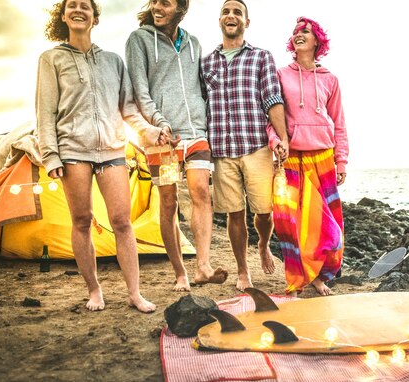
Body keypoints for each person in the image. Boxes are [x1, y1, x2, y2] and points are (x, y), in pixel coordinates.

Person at [36, 0, 156, 312]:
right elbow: (46, 113)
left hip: (113, 150)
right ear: (63, 16)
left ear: (94, 17)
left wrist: (149, 131)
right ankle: (94, 290)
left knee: (121, 221)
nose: (78, 10)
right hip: (73, 151)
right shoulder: (51, 59)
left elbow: (128, 108)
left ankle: (134, 293)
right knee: (81, 220)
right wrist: (51, 157)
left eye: (85, 6)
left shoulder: (114, 61)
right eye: (71, 6)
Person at [126, 0, 227, 292]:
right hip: (162, 138)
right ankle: (180, 272)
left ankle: (203, 266)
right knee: (169, 203)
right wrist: (158, 123)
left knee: (200, 192)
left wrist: (208, 119)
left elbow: (201, 87)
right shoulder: (139, 40)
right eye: (155, 2)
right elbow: (139, 89)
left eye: (165, 3)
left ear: (181, 9)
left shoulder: (193, 43)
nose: (157, 7)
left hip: (195, 133)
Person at [201, 0, 289, 291]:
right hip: (222, 151)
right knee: (234, 213)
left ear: (246, 22)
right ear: (219, 21)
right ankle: (243, 272)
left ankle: (263, 244)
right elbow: (200, 104)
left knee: (264, 211)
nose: (231, 15)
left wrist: (283, 139)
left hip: (256, 146)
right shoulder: (206, 63)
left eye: (237, 12)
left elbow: (272, 100)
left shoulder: (261, 57)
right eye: (226, 11)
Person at [267, 17, 349, 296]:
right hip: (291, 159)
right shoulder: (280, 74)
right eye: (296, 32)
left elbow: (339, 123)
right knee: (292, 222)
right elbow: (271, 116)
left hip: (322, 158)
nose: (298, 35)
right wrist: (275, 140)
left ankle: (320, 274)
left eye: (306, 31)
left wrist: (342, 160)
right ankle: (302, 277)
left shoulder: (330, 79)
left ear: (317, 41)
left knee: (327, 226)